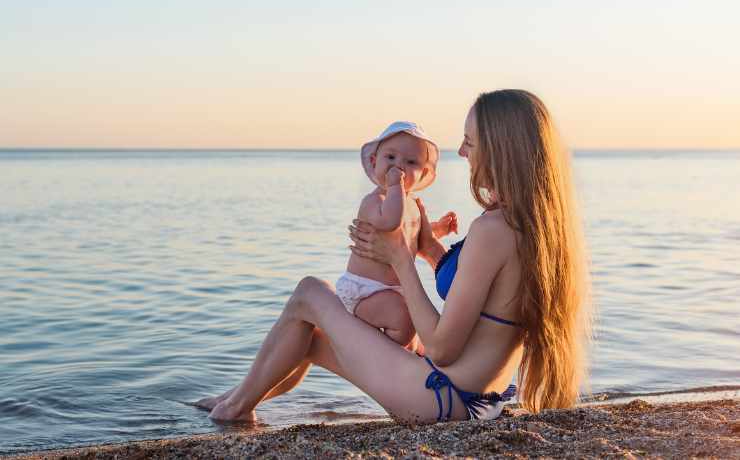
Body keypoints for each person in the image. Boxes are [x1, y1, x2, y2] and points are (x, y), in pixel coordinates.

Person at [197, 89, 590, 423]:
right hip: (479, 401)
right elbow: (481, 292)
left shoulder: (492, 230)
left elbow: (441, 348)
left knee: (310, 292)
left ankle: (231, 409)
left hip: (441, 397)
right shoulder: (536, 228)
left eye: (470, 140)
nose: (462, 151)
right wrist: (429, 249)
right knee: (310, 338)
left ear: (499, 149)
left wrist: (400, 257)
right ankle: (237, 401)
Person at [336, 121, 456, 350]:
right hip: (364, 290)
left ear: (424, 174)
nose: (398, 166)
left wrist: (439, 228)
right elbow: (391, 223)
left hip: (393, 291)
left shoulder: (412, 204)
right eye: (390, 158)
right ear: (374, 162)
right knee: (405, 321)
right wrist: (394, 187)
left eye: (410, 162)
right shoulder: (375, 201)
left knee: (421, 340)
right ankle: (378, 356)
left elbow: (417, 240)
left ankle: (405, 355)